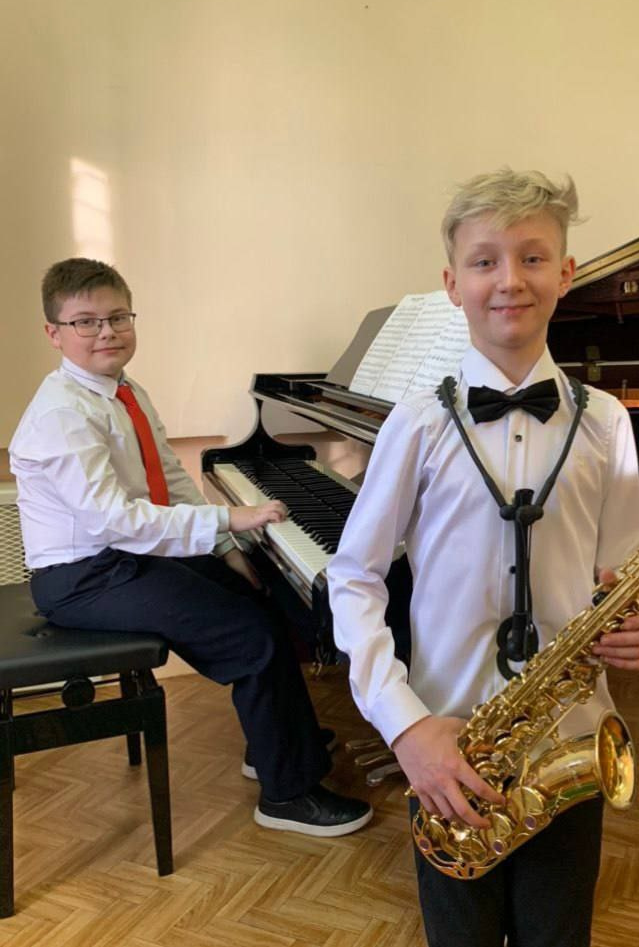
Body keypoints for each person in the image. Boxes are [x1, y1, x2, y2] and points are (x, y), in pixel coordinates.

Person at [328, 168, 639, 945]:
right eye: (485, 261)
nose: (509, 279)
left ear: (567, 272)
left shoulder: (606, 422)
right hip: (446, 751)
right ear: (453, 283)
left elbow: (626, 574)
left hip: (570, 740)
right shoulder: (416, 423)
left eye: (533, 257)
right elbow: (353, 575)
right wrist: (405, 728)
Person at [9, 257, 372, 838]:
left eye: (118, 317)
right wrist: (230, 516)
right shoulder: (63, 415)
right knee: (249, 637)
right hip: (84, 577)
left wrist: (227, 545)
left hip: (126, 554)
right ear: (54, 333)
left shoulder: (124, 390)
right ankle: (286, 794)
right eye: (85, 322)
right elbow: (114, 521)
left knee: (259, 591)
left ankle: (274, 743)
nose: (106, 332)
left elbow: (170, 479)